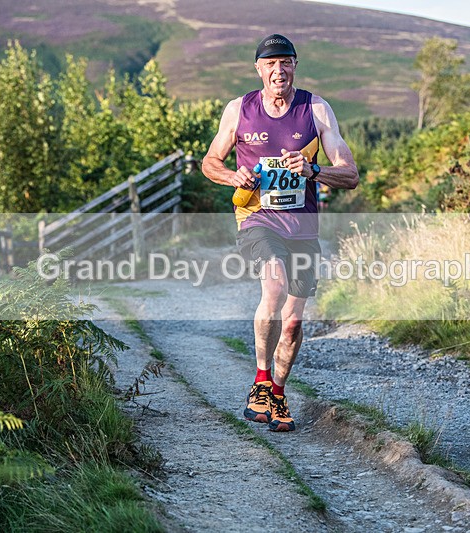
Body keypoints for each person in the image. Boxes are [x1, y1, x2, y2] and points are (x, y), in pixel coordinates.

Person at [201, 34, 358, 432]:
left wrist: (313, 171)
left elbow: (350, 174)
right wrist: (232, 175)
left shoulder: (316, 109)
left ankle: (279, 394)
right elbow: (209, 162)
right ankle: (260, 381)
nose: (278, 70)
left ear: (294, 66)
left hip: (302, 228)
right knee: (273, 287)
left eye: (285, 62)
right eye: (270, 64)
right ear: (259, 69)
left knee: (292, 322)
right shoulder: (240, 110)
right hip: (257, 219)